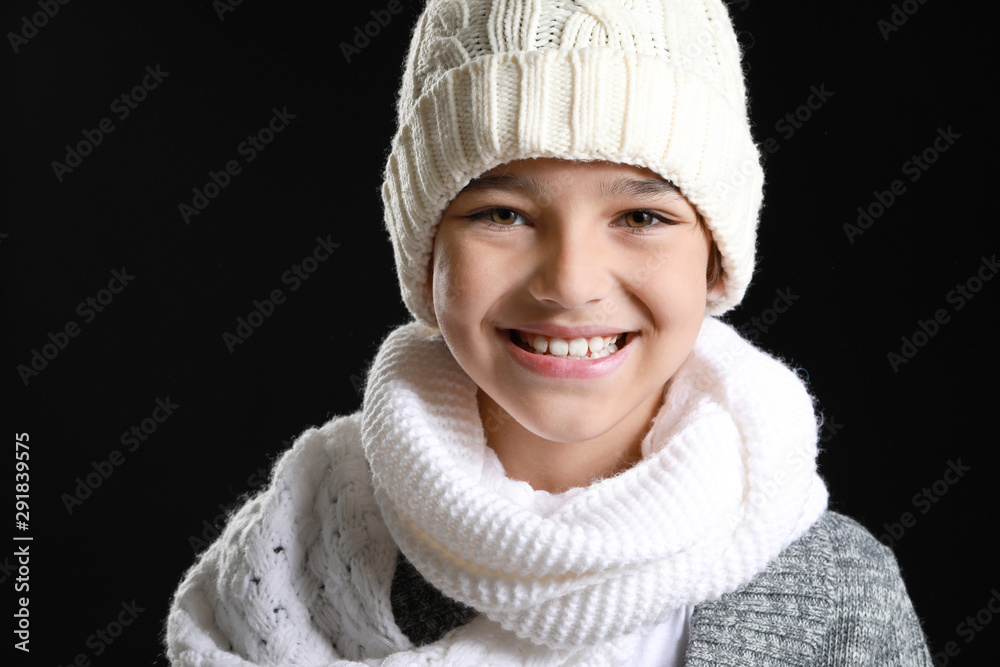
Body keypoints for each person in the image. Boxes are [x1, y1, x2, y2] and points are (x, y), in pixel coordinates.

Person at [165, 0, 933, 664]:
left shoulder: (835, 594)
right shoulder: (304, 547)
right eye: (502, 213)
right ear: (426, 250)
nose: (570, 282)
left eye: (641, 217)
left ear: (715, 256)